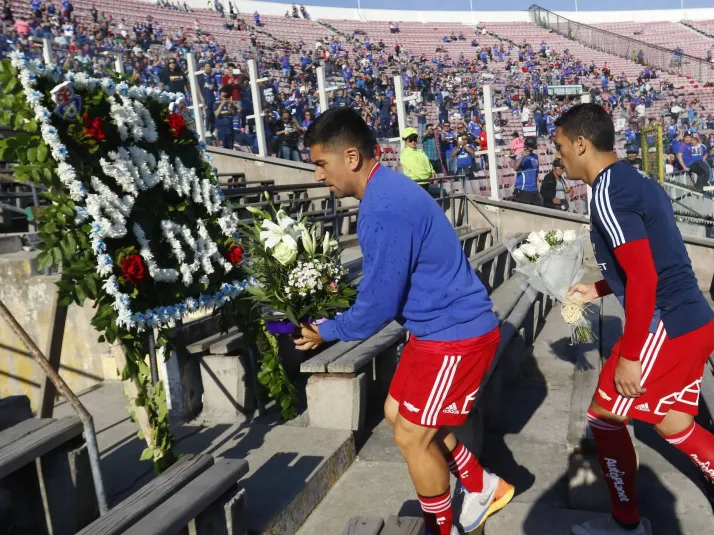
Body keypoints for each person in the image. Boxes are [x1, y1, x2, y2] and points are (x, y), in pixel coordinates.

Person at [294, 108, 514, 535]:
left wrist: (328, 330)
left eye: (321, 163)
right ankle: (479, 482)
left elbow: (378, 305)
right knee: (398, 412)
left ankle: (445, 526)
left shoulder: (385, 207)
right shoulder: (385, 191)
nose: (319, 175)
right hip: (433, 330)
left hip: (454, 337)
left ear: (351, 157)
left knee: (411, 436)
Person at [554, 104, 714, 535]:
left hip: (669, 323)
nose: (559, 156)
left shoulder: (607, 190)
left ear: (581, 144)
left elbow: (644, 276)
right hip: (694, 320)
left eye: (561, 146)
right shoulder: (635, 178)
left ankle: (626, 524)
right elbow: (656, 258)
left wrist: (631, 355)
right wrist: (599, 289)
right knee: (675, 423)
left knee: (604, 417)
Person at [512, 137, 541, 205]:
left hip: (534, 190)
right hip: (523, 189)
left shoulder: (535, 157)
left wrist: (538, 187)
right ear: (525, 146)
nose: (530, 148)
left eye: (532, 146)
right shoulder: (520, 155)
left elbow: (536, 173)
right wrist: (522, 157)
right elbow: (515, 168)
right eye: (528, 146)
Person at [214, 85, 237, 149]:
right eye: (223, 96)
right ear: (220, 96)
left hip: (230, 131)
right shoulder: (216, 104)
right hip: (221, 131)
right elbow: (216, 114)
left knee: (230, 149)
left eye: (226, 96)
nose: (225, 98)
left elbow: (234, 114)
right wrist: (222, 104)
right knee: (222, 149)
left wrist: (231, 106)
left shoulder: (230, 104)